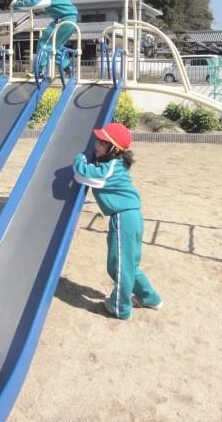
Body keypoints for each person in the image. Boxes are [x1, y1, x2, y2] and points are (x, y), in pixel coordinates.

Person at [73, 122, 162, 320]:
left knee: (119, 266)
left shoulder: (111, 167)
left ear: (113, 149)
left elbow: (84, 175)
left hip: (124, 219)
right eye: (98, 141)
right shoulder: (117, 163)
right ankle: (151, 298)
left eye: (102, 143)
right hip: (131, 216)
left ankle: (120, 307)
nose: (96, 145)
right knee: (129, 264)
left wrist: (79, 159)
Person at [14, 0, 78, 76]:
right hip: (70, 19)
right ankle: (68, 67)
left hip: (63, 20)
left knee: (44, 43)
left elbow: (35, 2)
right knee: (54, 46)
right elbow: (39, 1)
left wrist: (16, 5)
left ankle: (40, 71)